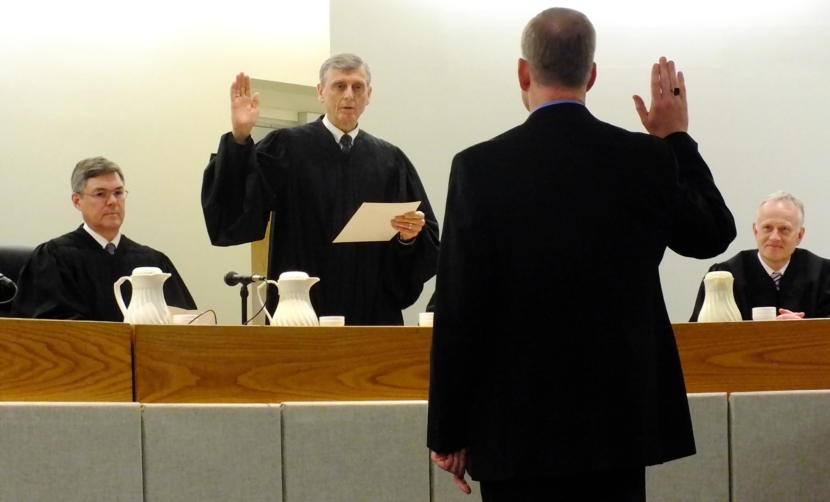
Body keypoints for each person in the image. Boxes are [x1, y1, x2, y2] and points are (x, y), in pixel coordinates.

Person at [427, 8, 736, 502]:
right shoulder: (645, 159)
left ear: (523, 72)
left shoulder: (479, 168)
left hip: (515, 428)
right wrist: (675, 138)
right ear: (592, 75)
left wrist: (447, 431)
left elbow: (460, 306)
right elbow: (712, 234)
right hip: (617, 424)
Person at [201, 53, 439, 325]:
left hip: (371, 312)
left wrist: (408, 237)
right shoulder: (286, 147)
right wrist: (240, 136)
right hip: (301, 311)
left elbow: (425, 238)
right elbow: (238, 208)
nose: (349, 95)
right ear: (320, 92)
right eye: (339, 86)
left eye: (357, 87)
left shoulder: (390, 160)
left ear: (369, 94)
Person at [13, 157, 196, 322]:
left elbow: (187, 323)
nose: (112, 202)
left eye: (118, 192)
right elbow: (48, 328)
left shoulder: (153, 262)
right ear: (77, 201)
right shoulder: (53, 258)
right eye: (100, 194)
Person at [690, 191, 830, 321]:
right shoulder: (723, 276)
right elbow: (700, 335)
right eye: (767, 228)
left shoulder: (824, 274)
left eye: (784, 229)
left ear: (799, 235)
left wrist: (806, 330)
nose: (775, 237)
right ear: (755, 230)